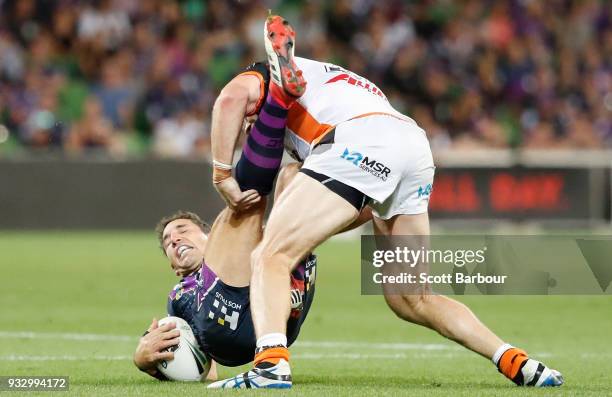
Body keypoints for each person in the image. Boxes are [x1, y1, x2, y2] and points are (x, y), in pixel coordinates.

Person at [208, 14, 563, 389]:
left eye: (250, 125)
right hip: (409, 148)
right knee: (411, 297)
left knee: (269, 256)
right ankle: (516, 361)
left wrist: (221, 175)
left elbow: (229, 99)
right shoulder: (333, 82)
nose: (250, 130)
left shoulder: (260, 76)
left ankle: (270, 365)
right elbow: (359, 202)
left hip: (357, 142)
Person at [132, 162, 318, 383]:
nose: (174, 239)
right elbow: (202, 369)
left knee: (292, 174)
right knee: (251, 198)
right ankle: (264, 144)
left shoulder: (254, 243)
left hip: (279, 321)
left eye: (183, 230)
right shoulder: (179, 298)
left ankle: (367, 204)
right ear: (174, 268)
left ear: (209, 236)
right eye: (168, 243)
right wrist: (145, 361)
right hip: (230, 335)